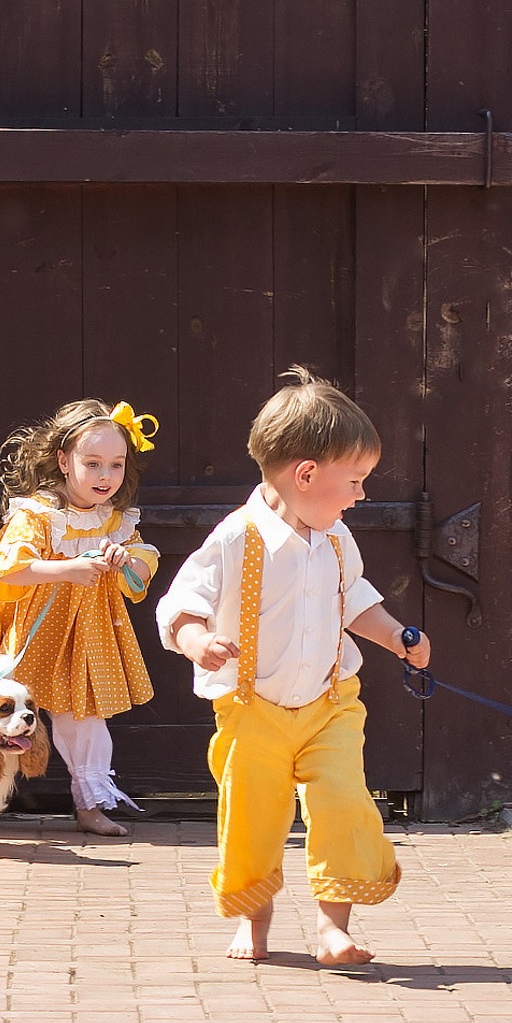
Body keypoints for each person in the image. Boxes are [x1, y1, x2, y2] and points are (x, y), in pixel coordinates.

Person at [155, 366, 431, 965]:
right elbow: (181, 602)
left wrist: (395, 635)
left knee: (345, 804)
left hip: (330, 706)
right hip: (252, 711)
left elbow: (354, 599)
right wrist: (197, 639)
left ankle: (334, 928)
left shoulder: (336, 539)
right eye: (354, 481)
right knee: (253, 816)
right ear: (306, 475)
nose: (361, 495)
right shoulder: (235, 537)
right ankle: (256, 921)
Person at [0, 400, 160, 837]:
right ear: (63, 461)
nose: (105, 476)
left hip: (89, 636)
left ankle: (91, 807)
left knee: (86, 720)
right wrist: (67, 569)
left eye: (116, 465)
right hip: (34, 634)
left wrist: (124, 560)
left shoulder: (115, 519)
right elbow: (4, 571)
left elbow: (141, 571)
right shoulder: (38, 514)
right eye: (93, 463)